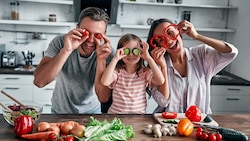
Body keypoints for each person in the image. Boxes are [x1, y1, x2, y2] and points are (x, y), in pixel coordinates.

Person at [146, 19, 238, 114]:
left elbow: (231, 52)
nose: (168, 41)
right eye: (161, 39)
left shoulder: (200, 54)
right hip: (169, 124)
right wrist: (163, 67)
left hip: (200, 122)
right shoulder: (157, 66)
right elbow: (163, 102)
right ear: (157, 45)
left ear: (178, 30)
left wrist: (197, 36)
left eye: (170, 32)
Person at [33, 7, 113, 114]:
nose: (90, 40)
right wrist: (66, 50)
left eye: (97, 35)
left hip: (92, 113)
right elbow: (39, 81)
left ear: (104, 34)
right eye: (86, 33)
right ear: (77, 28)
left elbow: (103, 98)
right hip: (60, 113)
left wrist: (101, 60)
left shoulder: (108, 53)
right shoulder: (61, 42)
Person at [100, 33, 165, 114]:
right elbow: (104, 81)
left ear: (140, 52)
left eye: (135, 51)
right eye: (126, 51)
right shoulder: (118, 72)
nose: (131, 54)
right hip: (116, 116)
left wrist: (148, 58)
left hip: (138, 117)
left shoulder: (144, 72)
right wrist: (115, 58)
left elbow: (160, 81)